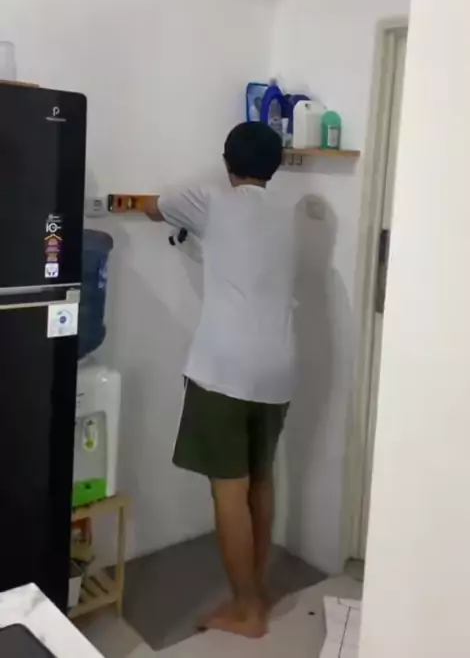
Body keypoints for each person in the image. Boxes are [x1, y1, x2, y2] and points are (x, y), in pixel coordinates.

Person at [142, 122, 296, 638]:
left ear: (227, 161)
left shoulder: (210, 200)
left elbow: (157, 205)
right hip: (279, 367)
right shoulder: (286, 213)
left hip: (225, 369)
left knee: (229, 491)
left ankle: (247, 610)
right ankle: (258, 589)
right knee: (261, 479)